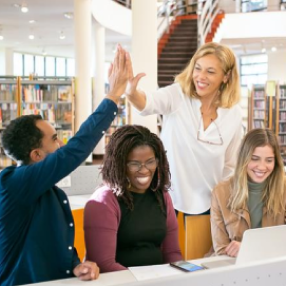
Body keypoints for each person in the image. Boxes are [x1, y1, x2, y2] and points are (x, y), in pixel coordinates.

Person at [0, 46, 130, 286]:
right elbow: (75, 150)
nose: (61, 144)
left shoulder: (52, 194)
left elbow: (57, 250)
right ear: (37, 155)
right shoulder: (14, 184)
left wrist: (77, 266)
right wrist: (113, 95)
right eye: (54, 139)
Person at [123, 42, 243, 216]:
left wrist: (222, 203)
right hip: (167, 199)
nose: (200, 76)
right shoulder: (178, 95)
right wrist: (131, 93)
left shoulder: (233, 114)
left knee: (200, 245)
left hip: (210, 204)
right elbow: (148, 103)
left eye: (210, 72)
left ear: (226, 76)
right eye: (198, 68)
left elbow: (230, 166)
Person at [84, 125, 182, 273]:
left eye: (150, 162)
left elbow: (172, 253)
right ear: (119, 165)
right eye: (134, 164)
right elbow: (104, 265)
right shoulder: (104, 201)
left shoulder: (162, 196)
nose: (144, 170)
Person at [211, 128, 286, 257]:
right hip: (234, 265)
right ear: (244, 158)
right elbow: (221, 249)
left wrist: (249, 248)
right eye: (255, 159)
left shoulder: (283, 188)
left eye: (269, 160)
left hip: (274, 263)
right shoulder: (220, 192)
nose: (262, 167)